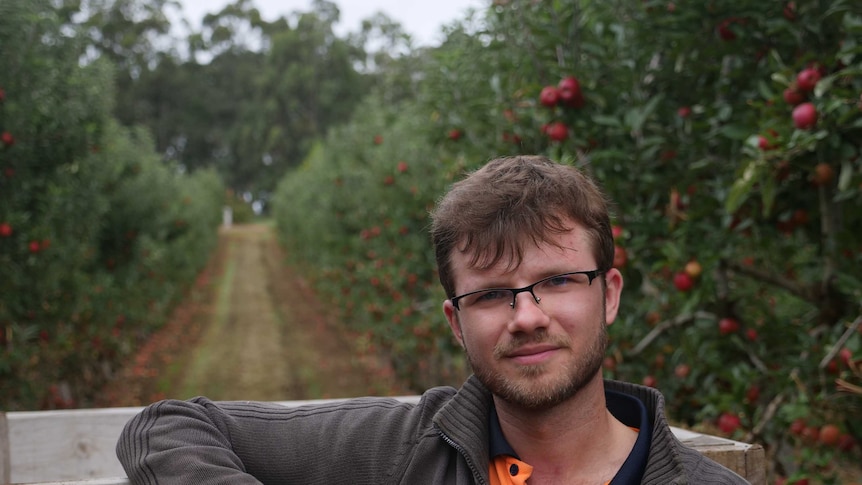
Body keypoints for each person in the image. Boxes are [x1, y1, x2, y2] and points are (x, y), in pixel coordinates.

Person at [116, 155, 750, 484]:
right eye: (492, 295)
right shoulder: (401, 452)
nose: (526, 317)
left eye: (556, 281)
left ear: (609, 294)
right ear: (455, 321)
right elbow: (167, 425)